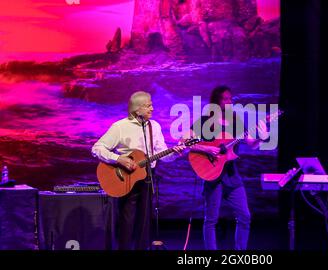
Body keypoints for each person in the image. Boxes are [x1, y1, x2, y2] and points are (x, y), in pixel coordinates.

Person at [91, 91, 185, 250]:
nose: (152, 109)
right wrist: (118, 158)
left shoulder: (153, 126)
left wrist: (174, 153)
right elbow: (97, 148)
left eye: (152, 105)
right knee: (127, 219)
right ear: (137, 109)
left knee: (145, 219)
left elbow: (161, 154)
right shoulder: (120, 127)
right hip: (125, 178)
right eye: (148, 105)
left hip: (147, 176)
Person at [188, 85, 269, 250]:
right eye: (226, 99)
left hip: (232, 174)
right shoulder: (205, 121)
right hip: (212, 175)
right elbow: (185, 143)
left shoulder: (235, 122)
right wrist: (207, 148)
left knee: (245, 215)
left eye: (231, 98)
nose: (230, 101)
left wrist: (262, 137)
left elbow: (252, 144)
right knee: (211, 219)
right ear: (216, 101)